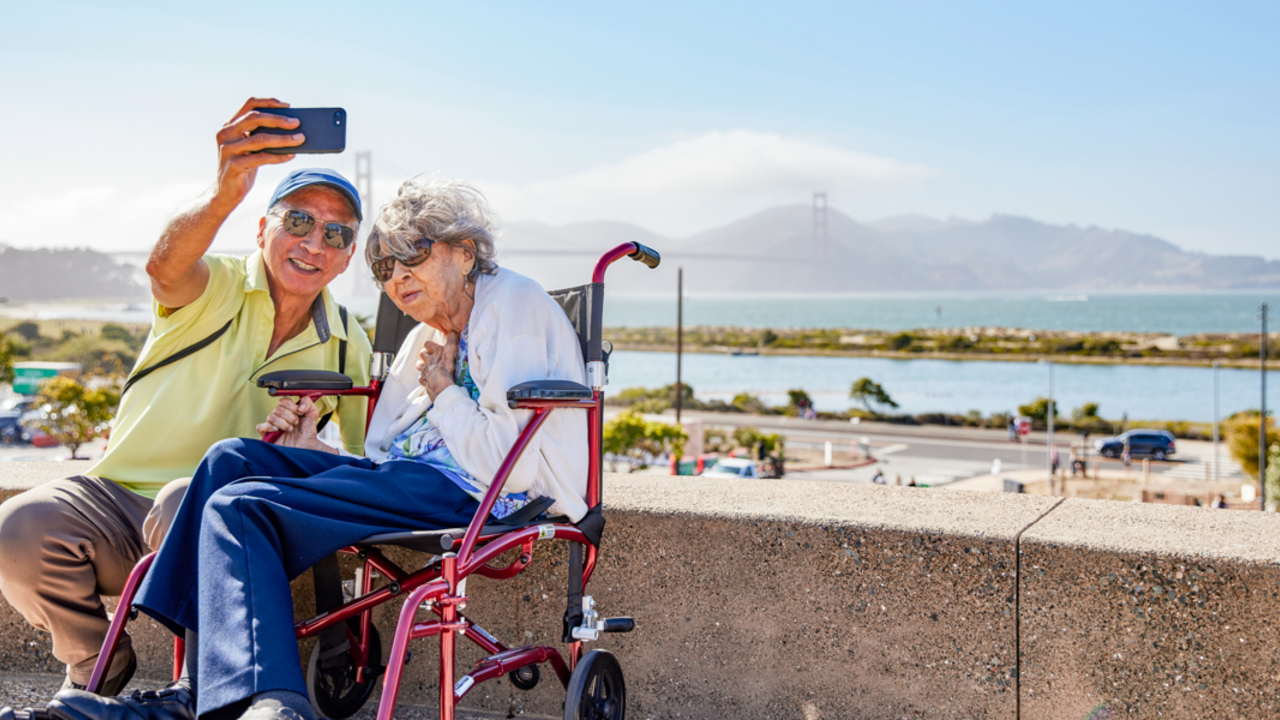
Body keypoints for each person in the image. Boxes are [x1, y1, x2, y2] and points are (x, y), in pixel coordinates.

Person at [29, 180, 587, 720]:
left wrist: (441, 391)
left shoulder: (511, 305)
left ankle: (271, 702)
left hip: (482, 494)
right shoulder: (428, 336)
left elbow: (502, 465)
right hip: (416, 483)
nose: (396, 277)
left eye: (411, 256)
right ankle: (195, 687)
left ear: (464, 252)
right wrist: (310, 450)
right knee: (230, 459)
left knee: (240, 505)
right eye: (383, 268)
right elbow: (378, 453)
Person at [0, 98, 371, 697]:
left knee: (190, 499)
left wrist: (307, 453)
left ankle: (202, 690)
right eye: (298, 222)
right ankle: (95, 663)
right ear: (263, 229)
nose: (315, 243)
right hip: (118, 501)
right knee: (17, 526)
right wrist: (226, 189)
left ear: (349, 254)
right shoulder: (215, 282)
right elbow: (164, 267)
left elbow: (361, 459)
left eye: (336, 233)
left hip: (234, 521)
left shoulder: (348, 341)